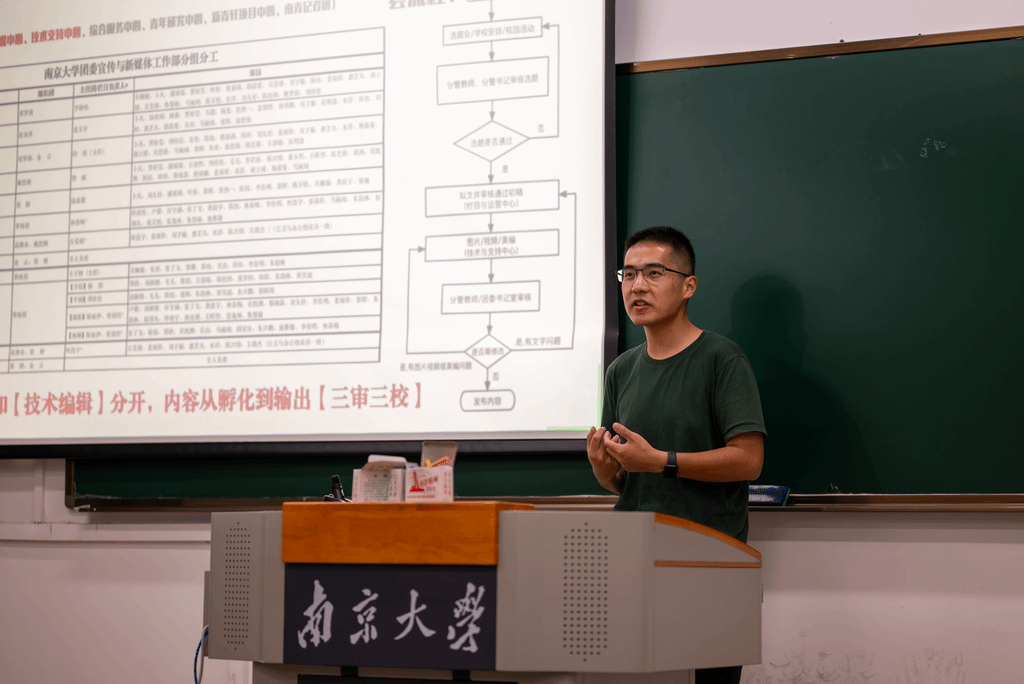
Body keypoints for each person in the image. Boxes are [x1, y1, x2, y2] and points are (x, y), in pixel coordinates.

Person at [587, 226, 766, 684]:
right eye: (628, 274)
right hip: (634, 562)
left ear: (689, 286)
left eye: (653, 273)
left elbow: (748, 460)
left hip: (709, 565)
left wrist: (662, 461)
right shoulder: (620, 370)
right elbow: (630, 480)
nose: (637, 286)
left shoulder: (721, 359)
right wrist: (606, 473)